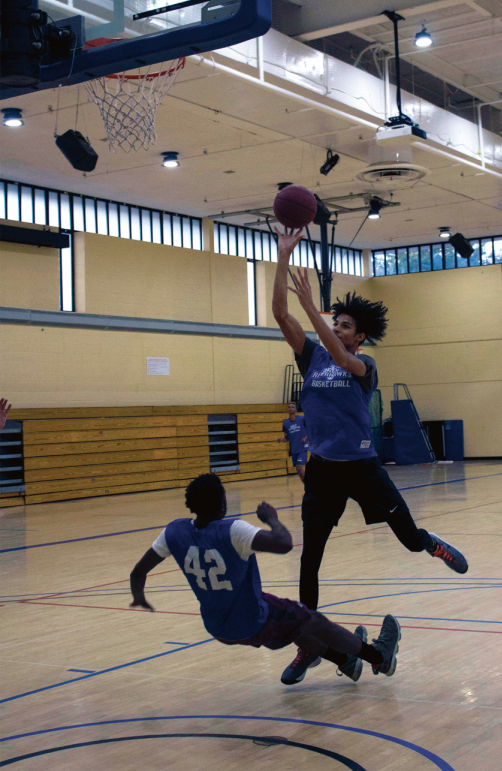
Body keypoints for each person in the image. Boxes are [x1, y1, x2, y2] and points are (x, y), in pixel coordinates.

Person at [272, 227, 469, 685]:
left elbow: (342, 359)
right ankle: (309, 646)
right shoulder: (310, 359)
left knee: (407, 538)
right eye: (333, 321)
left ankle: (431, 543)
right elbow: (280, 314)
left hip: (363, 469)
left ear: (359, 336)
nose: (335, 327)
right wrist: (283, 259)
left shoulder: (364, 367)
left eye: (343, 324)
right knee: (309, 560)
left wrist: (311, 307)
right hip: (323, 471)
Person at [129, 473, 401, 684]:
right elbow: (284, 543)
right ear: (223, 503)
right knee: (315, 621)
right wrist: (272, 519)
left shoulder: (173, 532)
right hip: (252, 619)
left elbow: (137, 572)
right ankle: (379, 657)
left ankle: (346, 662)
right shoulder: (232, 530)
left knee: (295, 622)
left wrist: (139, 597)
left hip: (217, 627)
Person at [278, 401, 309, 482]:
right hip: (294, 449)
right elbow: (286, 437)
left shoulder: (302, 419)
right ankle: (307, 487)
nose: (291, 408)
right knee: (298, 470)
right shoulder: (285, 423)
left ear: (296, 410)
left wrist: (305, 438)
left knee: (299, 467)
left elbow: (310, 430)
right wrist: (282, 440)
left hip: (302, 447)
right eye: (289, 407)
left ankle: (310, 486)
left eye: (293, 407)